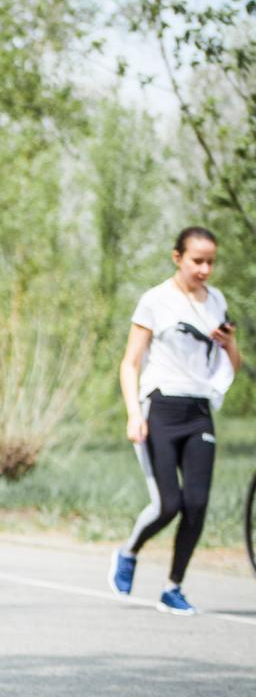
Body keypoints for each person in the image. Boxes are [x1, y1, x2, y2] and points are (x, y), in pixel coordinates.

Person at [112, 226, 242, 615]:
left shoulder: (216, 300)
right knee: (168, 504)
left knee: (197, 504)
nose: (204, 269)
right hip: (161, 408)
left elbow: (230, 367)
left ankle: (173, 587)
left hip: (199, 410)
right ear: (177, 258)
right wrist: (134, 413)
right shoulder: (155, 300)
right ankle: (129, 551)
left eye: (210, 262)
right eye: (197, 261)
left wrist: (229, 343)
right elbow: (130, 362)